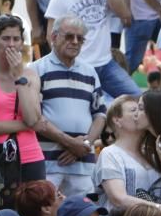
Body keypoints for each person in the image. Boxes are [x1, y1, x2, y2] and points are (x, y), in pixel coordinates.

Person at [45, 0, 137, 98]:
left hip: (105, 63)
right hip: (78, 65)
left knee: (137, 97)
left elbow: (124, 14)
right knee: (88, 109)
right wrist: (64, 64)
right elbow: (51, 34)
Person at [0, 16, 45, 208]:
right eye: (5, 39)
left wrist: (19, 77)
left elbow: (31, 115)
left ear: (22, 42)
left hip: (29, 155)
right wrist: (27, 125)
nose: (11, 44)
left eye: (16, 39)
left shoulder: (30, 75)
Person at [31, 15, 106, 196]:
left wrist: (85, 145)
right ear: (54, 37)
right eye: (69, 36)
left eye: (80, 38)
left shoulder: (90, 72)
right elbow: (34, 118)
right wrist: (71, 143)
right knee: (47, 215)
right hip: (48, 163)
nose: (75, 42)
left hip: (83, 164)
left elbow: (100, 115)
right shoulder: (36, 70)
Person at [92, 95, 161, 212]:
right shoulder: (110, 154)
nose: (140, 114)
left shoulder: (154, 154)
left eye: (141, 109)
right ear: (117, 120)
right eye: (133, 110)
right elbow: (119, 199)